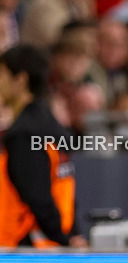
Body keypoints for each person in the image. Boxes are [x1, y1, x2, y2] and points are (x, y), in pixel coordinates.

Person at [0, 45, 84, 248]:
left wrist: (63, 239)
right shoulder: (53, 127)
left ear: (21, 80)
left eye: (2, 75)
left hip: (27, 254)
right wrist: (71, 236)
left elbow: (37, 196)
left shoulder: (24, 134)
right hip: (54, 246)